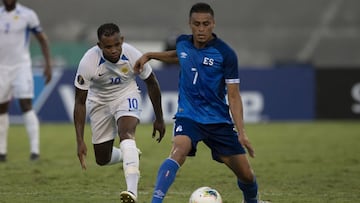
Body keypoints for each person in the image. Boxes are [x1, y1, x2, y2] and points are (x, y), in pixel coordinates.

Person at [135, 3, 270, 203]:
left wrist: (242, 133)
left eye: (205, 24)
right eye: (196, 24)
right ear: (190, 24)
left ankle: (252, 201)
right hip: (188, 115)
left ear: (213, 24)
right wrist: (150, 55)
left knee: (246, 175)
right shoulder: (182, 43)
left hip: (218, 120)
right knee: (178, 150)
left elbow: (233, 96)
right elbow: (178, 56)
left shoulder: (226, 54)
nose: (201, 29)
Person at [73, 23, 166, 203]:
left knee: (126, 134)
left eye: (117, 45)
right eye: (108, 47)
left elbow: (152, 83)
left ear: (121, 40)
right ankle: (129, 154)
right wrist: (79, 140)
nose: (114, 50)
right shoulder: (88, 62)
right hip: (98, 102)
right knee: (102, 159)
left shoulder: (132, 55)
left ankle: (132, 192)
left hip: (126, 94)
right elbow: (79, 102)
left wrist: (159, 118)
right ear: (99, 46)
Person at [0, 0, 52, 162]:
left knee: (26, 104)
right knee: (1, 108)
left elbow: (42, 39)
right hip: (1, 68)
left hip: (21, 66)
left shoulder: (28, 15)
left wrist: (48, 64)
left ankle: (34, 151)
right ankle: (2, 151)